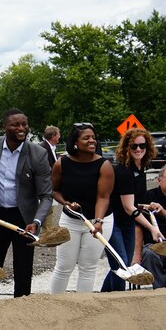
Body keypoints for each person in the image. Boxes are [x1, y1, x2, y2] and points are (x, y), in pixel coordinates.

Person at [0, 109, 52, 301]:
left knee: (23, 271)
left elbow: (46, 195)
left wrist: (37, 222)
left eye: (24, 124)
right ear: (4, 127)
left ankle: (21, 314)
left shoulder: (38, 154)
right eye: (15, 124)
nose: (21, 128)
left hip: (25, 221)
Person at [49, 122, 114, 294]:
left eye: (94, 138)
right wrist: (66, 203)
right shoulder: (62, 163)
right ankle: (53, 306)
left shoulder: (104, 165)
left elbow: (103, 197)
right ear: (75, 142)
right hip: (71, 219)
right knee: (64, 265)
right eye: (86, 138)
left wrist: (98, 221)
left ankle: (82, 306)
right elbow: (55, 190)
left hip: (99, 220)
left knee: (88, 266)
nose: (92, 141)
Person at [100, 128, 160, 292]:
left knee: (122, 265)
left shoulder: (140, 168)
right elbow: (128, 207)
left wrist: (146, 206)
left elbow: (134, 202)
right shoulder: (124, 170)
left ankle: (103, 297)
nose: (139, 149)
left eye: (142, 145)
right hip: (112, 223)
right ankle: (119, 302)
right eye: (134, 146)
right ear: (126, 148)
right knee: (121, 266)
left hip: (127, 223)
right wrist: (152, 228)